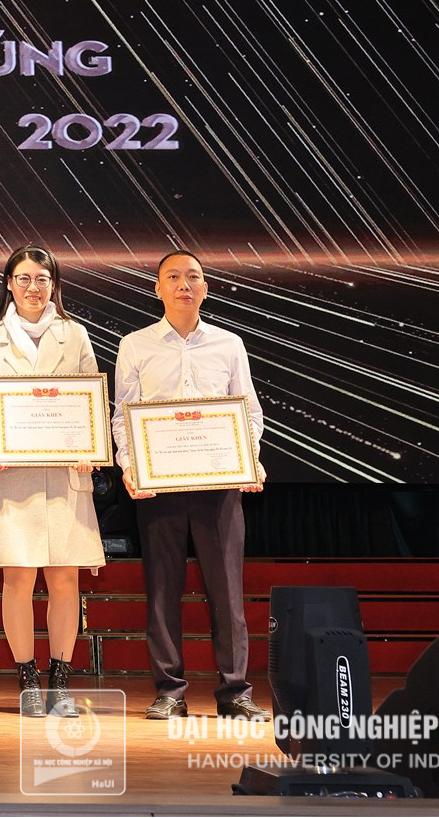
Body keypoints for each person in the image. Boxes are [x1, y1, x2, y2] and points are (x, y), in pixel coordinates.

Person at [113, 250, 269, 722]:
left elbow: (249, 411)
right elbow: (123, 415)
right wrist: (129, 466)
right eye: (174, 276)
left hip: (218, 486)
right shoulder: (135, 345)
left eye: (194, 277)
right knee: (163, 590)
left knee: (228, 593)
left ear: (205, 288)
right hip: (158, 486)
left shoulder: (229, 344)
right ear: (157, 288)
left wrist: (249, 460)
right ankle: (169, 691)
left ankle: (235, 692)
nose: (184, 284)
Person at [0, 245, 105, 719]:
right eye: (23, 278)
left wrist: (89, 444)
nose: (33, 287)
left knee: (64, 577)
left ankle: (60, 681)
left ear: (54, 284)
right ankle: (27, 678)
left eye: (42, 278)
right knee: (18, 577)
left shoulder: (74, 334)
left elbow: (90, 398)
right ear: (9, 283)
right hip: (11, 473)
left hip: (65, 474)